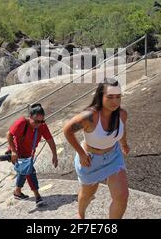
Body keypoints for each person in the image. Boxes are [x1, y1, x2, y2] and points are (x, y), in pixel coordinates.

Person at [63, 78, 130, 219]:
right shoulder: (90, 116)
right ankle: (80, 215)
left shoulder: (122, 114)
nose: (115, 102)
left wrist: (124, 144)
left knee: (122, 196)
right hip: (91, 160)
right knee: (88, 194)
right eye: (110, 97)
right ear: (101, 96)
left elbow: (122, 129)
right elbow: (67, 130)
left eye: (118, 97)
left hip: (113, 156)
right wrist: (81, 154)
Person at [6, 103, 58, 207]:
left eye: (42, 121)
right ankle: (37, 196)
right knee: (30, 171)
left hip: (29, 154)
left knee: (23, 171)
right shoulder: (22, 122)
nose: (39, 124)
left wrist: (54, 155)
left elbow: (50, 140)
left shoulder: (42, 126)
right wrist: (13, 151)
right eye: (36, 121)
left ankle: (17, 192)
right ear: (30, 117)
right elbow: (9, 135)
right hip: (17, 153)